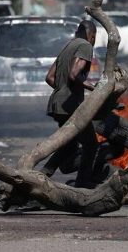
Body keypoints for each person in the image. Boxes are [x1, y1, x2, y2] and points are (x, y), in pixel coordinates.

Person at [41, 20, 100, 188]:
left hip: (58, 104)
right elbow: (74, 74)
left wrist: (62, 90)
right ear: (92, 36)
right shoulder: (86, 46)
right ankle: (82, 185)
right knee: (91, 144)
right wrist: (92, 87)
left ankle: (42, 175)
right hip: (70, 106)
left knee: (68, 145)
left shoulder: (68, 46)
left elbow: (49, 77)